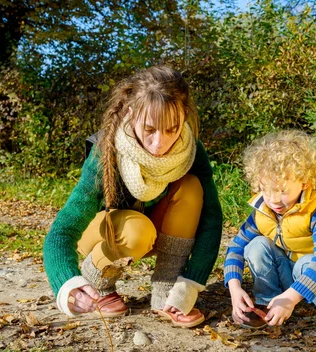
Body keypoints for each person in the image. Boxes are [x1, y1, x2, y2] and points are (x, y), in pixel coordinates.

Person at [43, 66, 222, 328]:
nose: (160, 143)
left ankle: (166, 290)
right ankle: (98, 279)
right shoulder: (107, 149)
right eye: (149, 129)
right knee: (138, 230)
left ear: (183, 116)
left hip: (156, 232)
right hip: (105, 233)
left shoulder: (191, 150)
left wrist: (191, 282)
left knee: (193, 186)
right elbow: (63, 230)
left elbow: (211, 219)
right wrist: (66, 282)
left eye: (172, 129)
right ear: (131, 113)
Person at [224, 130, 316, 340]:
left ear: (305, 182)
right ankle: (268, 303)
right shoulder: (263, 210)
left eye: (283, 191)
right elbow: (235, 248)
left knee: (306, 263)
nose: (274, 200)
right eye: (266, 190)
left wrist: (291, 297)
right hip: (288, 269)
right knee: (256, 245)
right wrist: (234, 287)